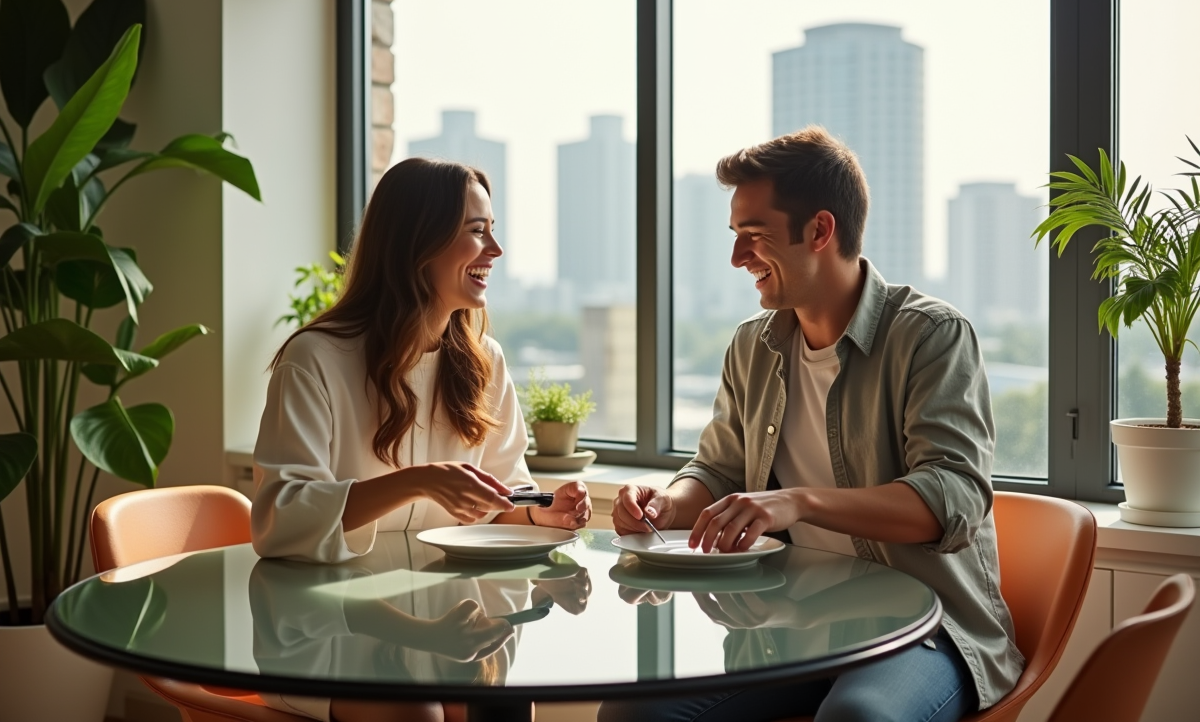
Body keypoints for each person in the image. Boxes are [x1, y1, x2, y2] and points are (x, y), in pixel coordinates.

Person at [607, 127, 1023, 722]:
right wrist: (666, 504)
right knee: (634, 714)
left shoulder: (931, 336)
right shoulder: (753, 345)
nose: (736, 257)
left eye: (755, 236)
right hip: (786, 622)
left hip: (925, 629)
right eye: (735, 237)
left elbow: (952, 496)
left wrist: (796, 503)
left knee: (858, 720)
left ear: (821, 231)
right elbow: (718, 469)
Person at [252, 157, 591, 722]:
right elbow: (278, 520)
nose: (496, 252)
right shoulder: (315, 359)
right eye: (477, 232)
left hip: (446, 618)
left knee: (499, 706)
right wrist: (415, 482)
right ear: (418, 243)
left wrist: (539, 515)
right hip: (320, 627)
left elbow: (501, 497)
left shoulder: (485, 362)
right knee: (419, 715)